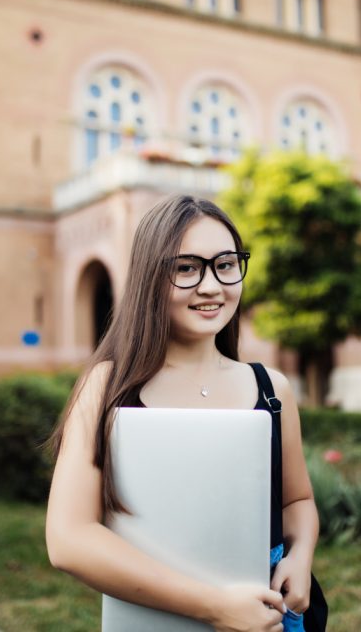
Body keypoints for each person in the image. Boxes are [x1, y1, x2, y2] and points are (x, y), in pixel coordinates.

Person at [46, 194, 319, 632]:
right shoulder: (108, 387)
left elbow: (297, 500)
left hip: (265, 618)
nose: (211, 286)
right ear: (149, 278)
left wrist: (300, 557)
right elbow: (68, 540)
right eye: (186, 268)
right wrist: (214, 607)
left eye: (226, 264)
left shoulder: (272, 390)